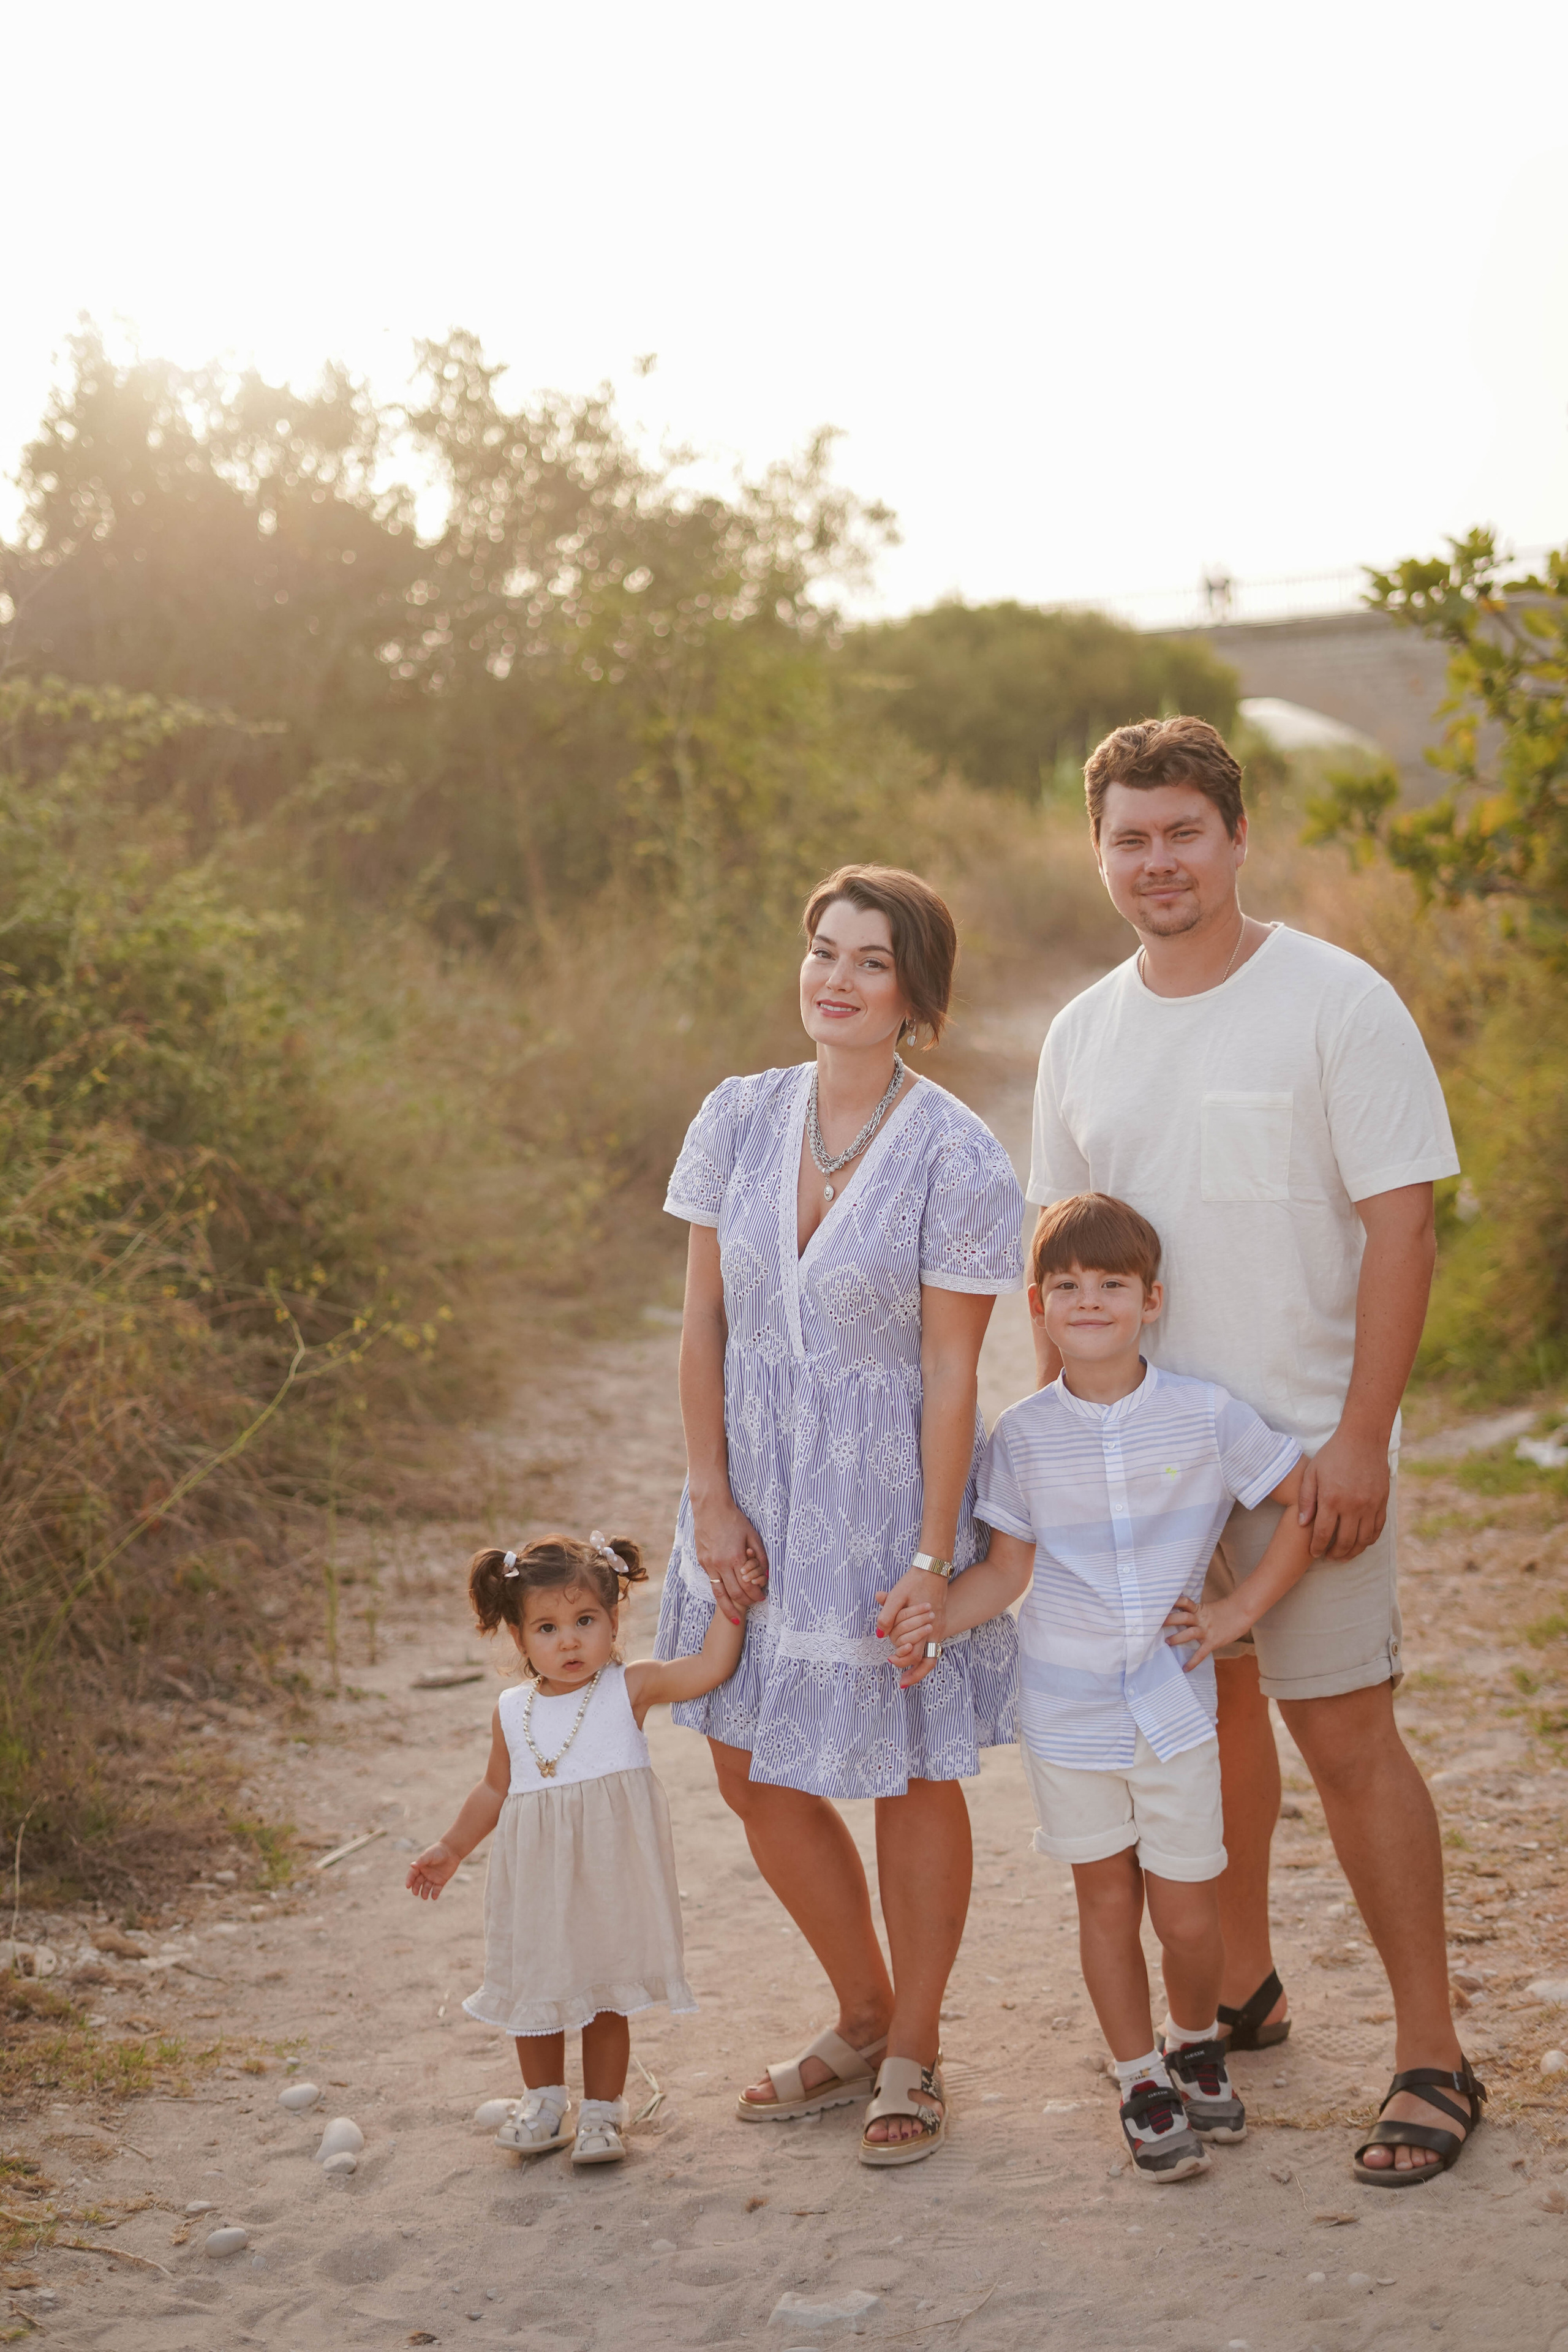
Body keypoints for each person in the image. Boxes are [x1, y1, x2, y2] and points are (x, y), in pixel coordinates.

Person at [1027, 715, 1481, 2184]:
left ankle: (1432, 2053)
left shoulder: (1332, 1003)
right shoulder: (1081, 1032)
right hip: (1146, 1470)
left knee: (1342, 1738)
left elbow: (1399, 1222)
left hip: (1297, 1459)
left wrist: (1359, 1436)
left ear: (1232, 836)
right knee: (1200, 1735)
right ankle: (1244, 1989)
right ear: (1099, 854)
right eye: (1127, 838)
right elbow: (1059, 1262)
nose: (1154, 860)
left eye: (1179, 832)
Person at [655, 862, 1025, 2165]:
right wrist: (707, 1495)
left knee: (912, 1766)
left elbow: (947, 1373)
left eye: (871, 960)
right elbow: (702, 1321)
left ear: (914, 992)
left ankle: (913, 2049)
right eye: (823, 949)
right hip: (749, 1482)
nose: (837, 978)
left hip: (882, 1496)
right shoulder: (739, 1116)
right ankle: (858, 2012)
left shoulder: (957, 1152)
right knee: (747, 1759)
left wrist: (933, 1557)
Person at [887, 1192, 1313, 2182]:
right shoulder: (1025, 1437)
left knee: (1190, 1913)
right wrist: (929, 1618)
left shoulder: (1205, 1418)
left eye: (1111, 1285)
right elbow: (1005, 1572)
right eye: (1067, 1287)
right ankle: (1139, 2079)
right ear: (1036, 1305)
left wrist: (1234, 1614)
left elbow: (1302, 1501)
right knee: (1105, 1904)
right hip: (1067, 1712)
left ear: (1151, 1299)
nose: (1089, 1302)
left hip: (1173, 1711)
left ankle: (1194, 2040)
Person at [405, 1529, 750, 2167]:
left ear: (614, 1621)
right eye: (546, 1628)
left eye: (585, 1620)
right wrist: (451, 1848)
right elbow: (493, 1788)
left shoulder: (629, 1688)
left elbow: (708, 1668)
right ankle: (542, 2100)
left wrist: (735, 1606)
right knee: (534, 1992)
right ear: (518, 1638)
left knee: (603, 1992)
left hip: (609, 1877)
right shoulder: (512, 1711)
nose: (568, 1641)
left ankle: (602, 2111)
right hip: (536, 1879)